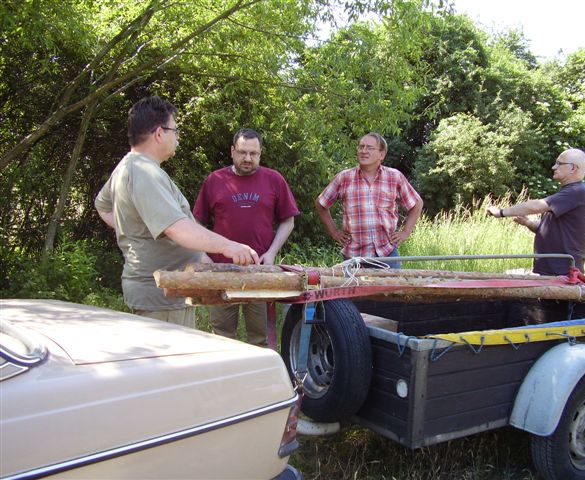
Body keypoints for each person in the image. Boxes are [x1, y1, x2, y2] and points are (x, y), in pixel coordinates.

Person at [95, 96, 259, 329]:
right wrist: (229, 246)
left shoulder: (129, 166)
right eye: (174, 130)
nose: (177, 137)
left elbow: (103, 206)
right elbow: (177, 228)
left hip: (166, 293)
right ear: (159, 133)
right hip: (162, 298)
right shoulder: (143, 172)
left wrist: (138, 230)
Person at [192, 128, 299, 345]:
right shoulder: (215, 180)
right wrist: (202, 255)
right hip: (221, 271)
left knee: (260, 337)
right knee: (222, 337)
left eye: (253, 153)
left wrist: (271, 253)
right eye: (242, 152)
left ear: (260, 153)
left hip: (260, 269)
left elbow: (289, 220)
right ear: (232, 151)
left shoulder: (274, 179)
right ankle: (224, 377)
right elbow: (195, 222)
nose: (248, 158)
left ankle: (258, 378)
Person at [315, 132, 423, 269]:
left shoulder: (394, 177)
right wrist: (334, 232)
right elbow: (321, 203)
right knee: (356, 290)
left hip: (387, 255)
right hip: (354, 257)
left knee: (391, 290)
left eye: (370, 148)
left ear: (381, 154)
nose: (364, 151)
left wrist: (405, 232)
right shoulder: (344, 178)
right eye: (361, 147)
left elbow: (417, 203)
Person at [486, 148, 585, 275]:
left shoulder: (577, 192)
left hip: (563, 272)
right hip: (553, 270)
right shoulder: (569, 193)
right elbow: (552, 230)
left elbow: (536, 206)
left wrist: (501, 212)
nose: (554, 167)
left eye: (559, 163)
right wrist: (529, 223)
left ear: (573, 168)